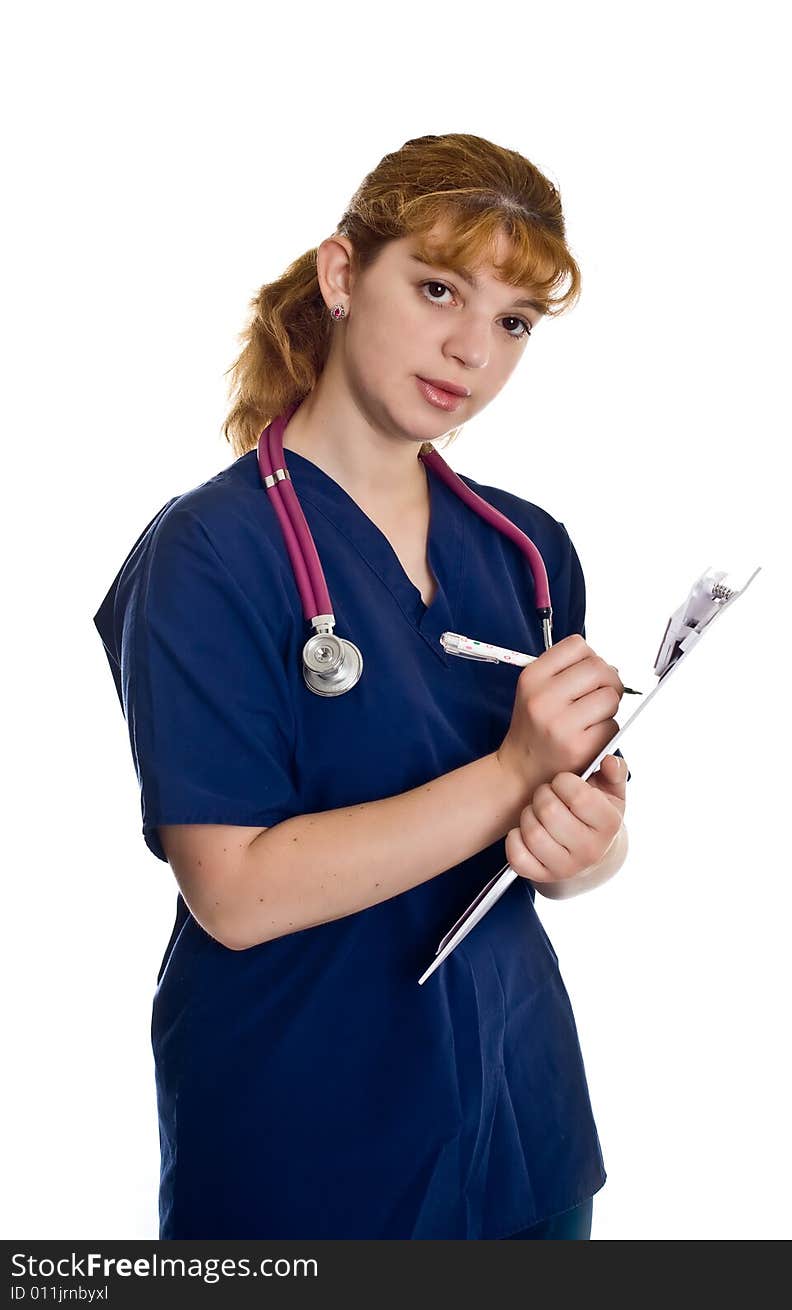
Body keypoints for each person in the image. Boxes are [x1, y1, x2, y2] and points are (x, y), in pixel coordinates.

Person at [93, 131, 632, 1241]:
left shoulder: (529, 554)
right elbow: (234, 892)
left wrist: (590, 842)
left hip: (518, 1118)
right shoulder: (208, 554)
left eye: (512, 321)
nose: (471, 348)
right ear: (343, 276)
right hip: (306, 1141)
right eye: (438, 288)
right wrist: (511, 773)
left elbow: (573, 826)